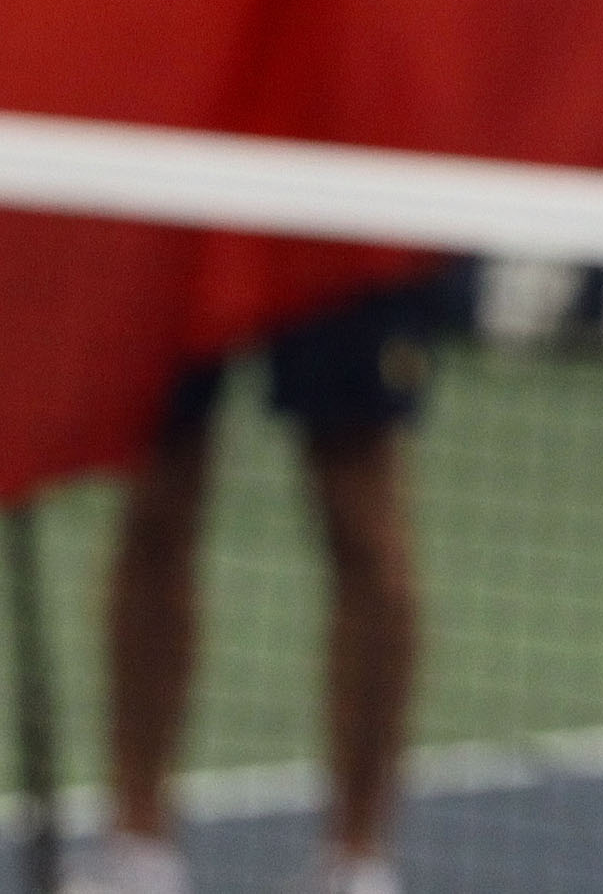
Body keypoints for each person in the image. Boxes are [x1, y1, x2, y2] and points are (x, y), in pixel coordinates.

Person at [68, 285, 451, 894]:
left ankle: (356, 864)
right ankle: (136, 853)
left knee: (362, 520)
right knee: (154, 506)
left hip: (337, 228)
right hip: (189, 223)